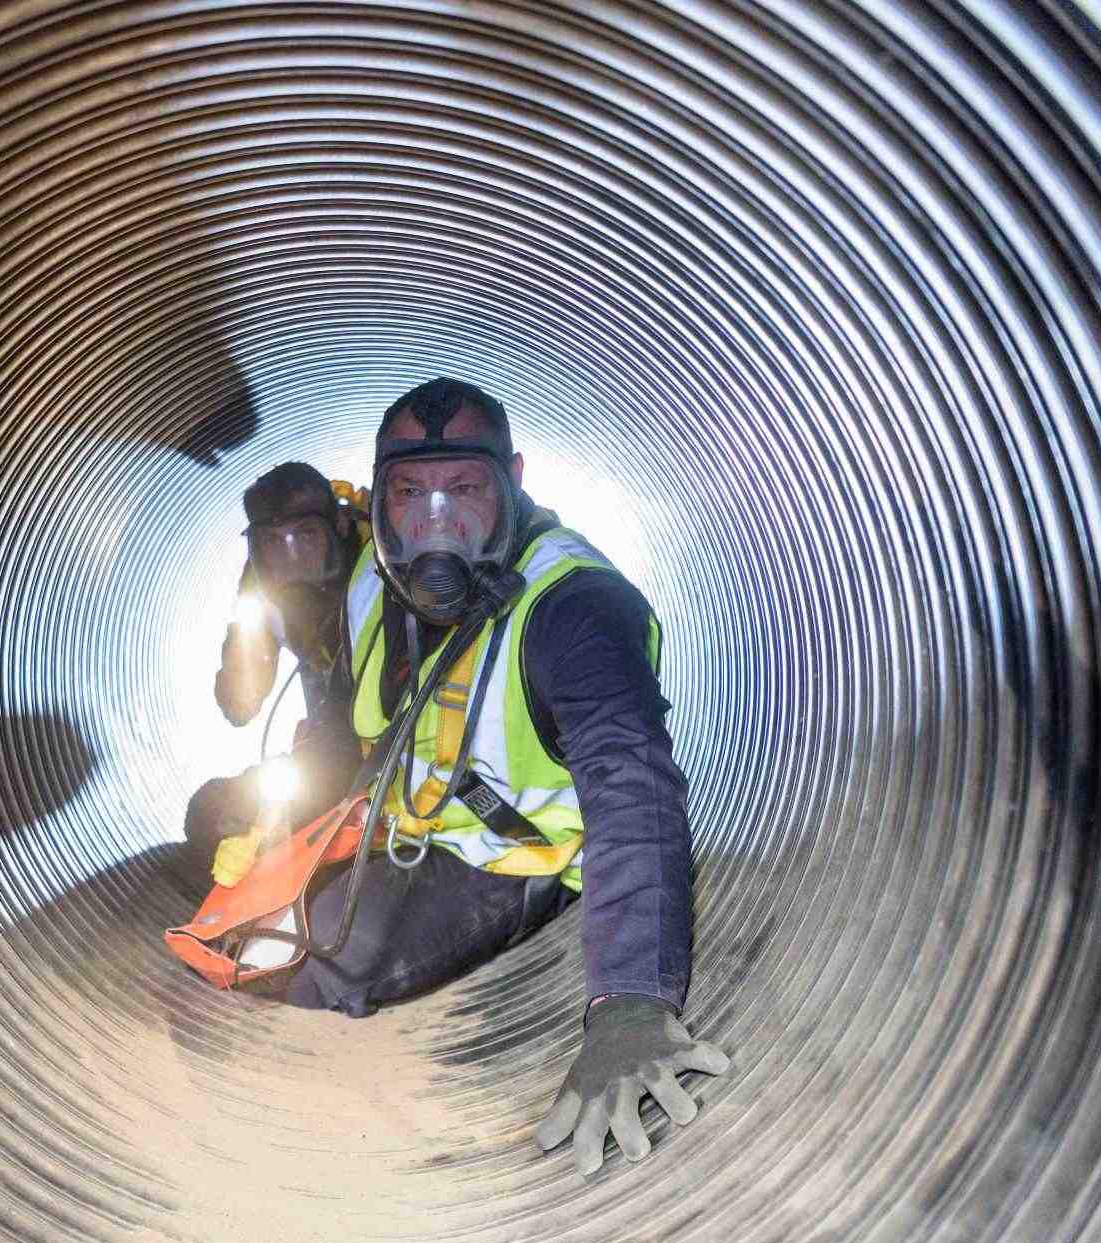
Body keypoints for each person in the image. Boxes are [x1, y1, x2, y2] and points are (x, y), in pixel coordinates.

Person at [217, 377, 727, 1175]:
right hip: (416, 829)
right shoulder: (370, 586)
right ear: (379, 500)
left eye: (464, 490)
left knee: (313, 971)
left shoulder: (575, 608)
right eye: (410, 493)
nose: (435, 523)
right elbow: (344, 732)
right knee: (250, 926)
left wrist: (630, 1002)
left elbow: (634, 786)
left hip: (512, 864)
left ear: (514, 482)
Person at [184, 464, 365, 868]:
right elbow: (240, 700)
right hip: (332, 699)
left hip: (407, 684)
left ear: (338, 524)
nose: (291, 555)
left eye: (306, 534)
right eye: (272, 541)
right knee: (210, 817)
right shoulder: (259, 593)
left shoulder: (381, 549)